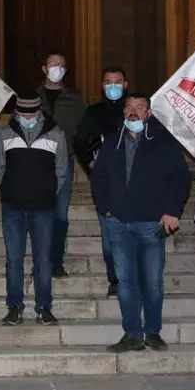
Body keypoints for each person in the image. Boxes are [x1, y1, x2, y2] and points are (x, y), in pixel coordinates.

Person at [91, 94, 190, 353]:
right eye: (129, 107)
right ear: (124, 112)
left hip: (151, 224)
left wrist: (171, 211)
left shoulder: (164, 143)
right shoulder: (111, 142)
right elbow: (98, 178)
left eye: (140, 108)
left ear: (148, 114)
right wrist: (106, 209)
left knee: (153, 282)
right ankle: (132, 334)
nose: (133, 112)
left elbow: (179, 179)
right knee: (125, 282)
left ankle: (153, 332)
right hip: (118, 223)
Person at [0, 93, 67, 326]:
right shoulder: (4, 133)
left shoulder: (56, 134)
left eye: (31, 113)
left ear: (39, 112)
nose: (27, 117)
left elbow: (61, 170)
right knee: (13, 260)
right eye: (22, 113)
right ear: (16, 111)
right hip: (13, 207)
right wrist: (11, 190)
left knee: (44, 260)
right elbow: (0, 167)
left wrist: (46, 191)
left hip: (43, 208)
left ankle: (44, 307)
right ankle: (14, 307)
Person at [74, 66, 128, 299]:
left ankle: (133, 278)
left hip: (137, 185)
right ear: (102, 85)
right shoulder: (94, 112)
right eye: (108, 82)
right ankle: (115, 279)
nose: (112, 86)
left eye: (117, 82)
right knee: (109, 238)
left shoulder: (136, 109)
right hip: (106, 185)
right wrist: (91, 167)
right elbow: (79, 141)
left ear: (125, 84)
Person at [38, 53, 86, 278]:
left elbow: (81, 129)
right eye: (53, 64)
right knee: (39, 212)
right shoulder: (34, 96)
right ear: (44, 69)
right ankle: (40, 262)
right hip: (36, 162)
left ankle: (55, 262)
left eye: (62, 65)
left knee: (60, 213)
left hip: (63, 160)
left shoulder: (75, 98)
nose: (57, 68)